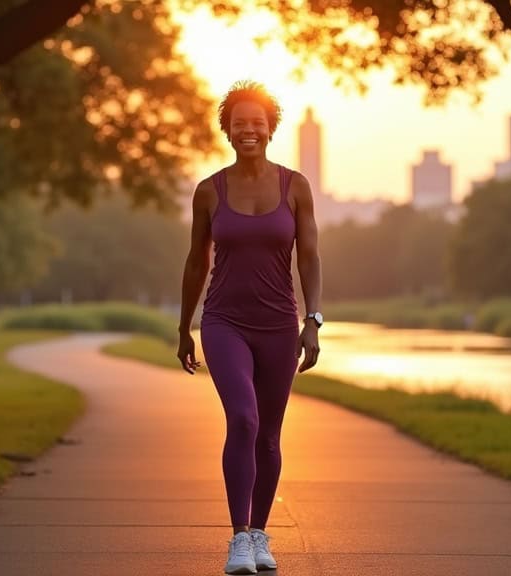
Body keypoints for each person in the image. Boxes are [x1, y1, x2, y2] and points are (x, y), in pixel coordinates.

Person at [176, 80, 323, 575]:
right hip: (224, 321)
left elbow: (310, 258)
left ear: (270, 129)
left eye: (257, 123)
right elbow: (196, 263)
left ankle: (261, 534)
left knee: (270, 436)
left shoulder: (294, 186)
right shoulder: (208, 192)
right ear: (228, 130)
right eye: (240, 124)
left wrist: (313, 321)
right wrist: (184, 327)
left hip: (280, 324)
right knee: (243, 418)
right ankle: (239, 538)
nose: (249, 131)